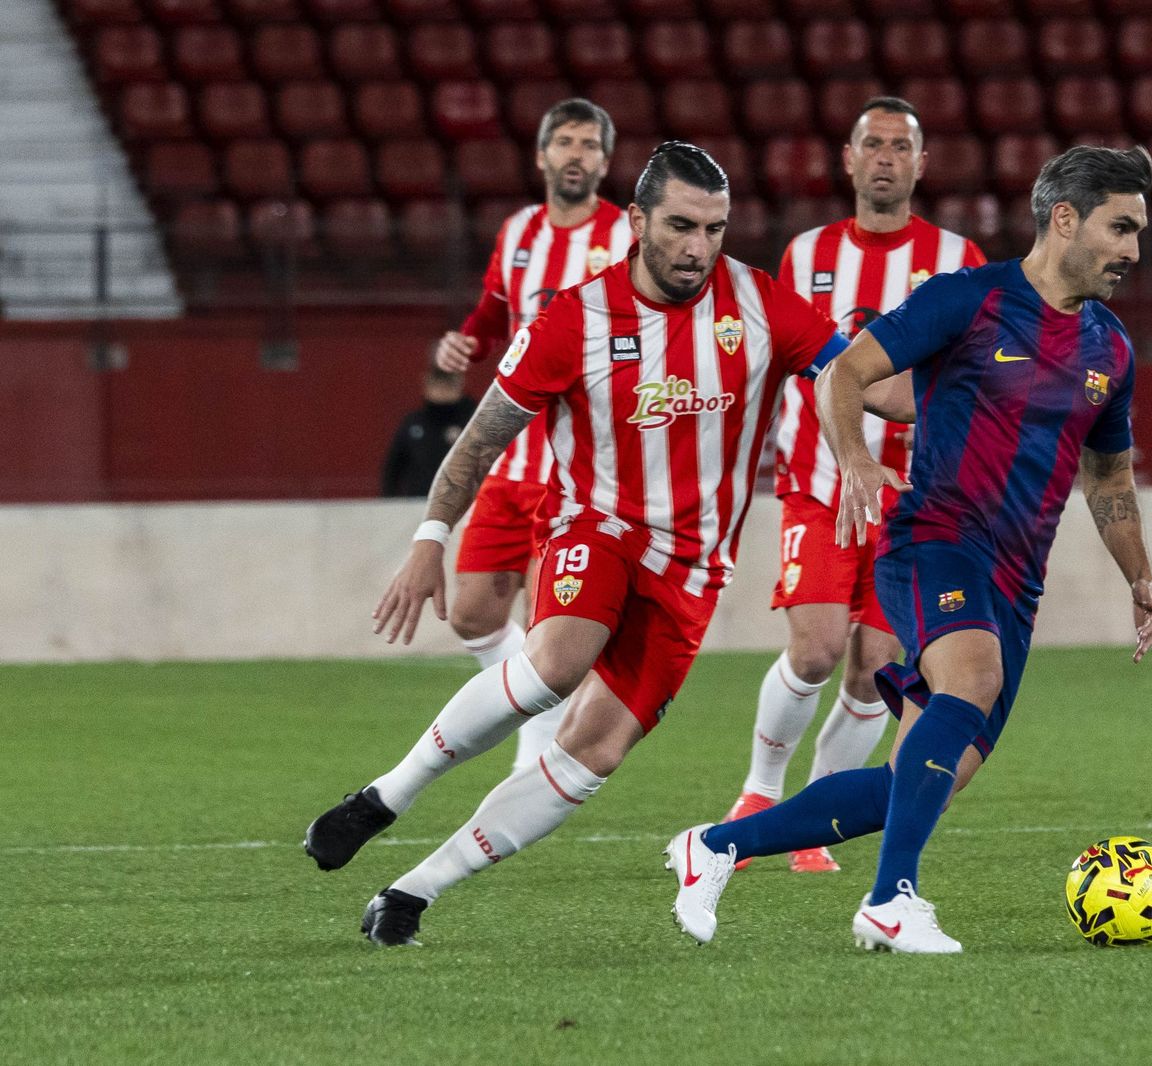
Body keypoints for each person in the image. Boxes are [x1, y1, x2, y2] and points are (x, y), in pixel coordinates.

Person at [303, 142, 910, 947]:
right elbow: (480, 440)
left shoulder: (760, 303)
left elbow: (870, 382)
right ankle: (390, 794)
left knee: (594, 752)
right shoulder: (575, 318)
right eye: (681, 226)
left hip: (693, 572)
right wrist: (429, 539)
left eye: (715, 229)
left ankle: (414, 891)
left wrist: (983, 386)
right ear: (636, 221)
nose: (698, 248)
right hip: (599, 528)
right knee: (555, 664)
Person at [666, 144, 1152, 954]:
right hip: (935, 538)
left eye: (1138, 231)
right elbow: (845, 373)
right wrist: (856, 461)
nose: (1133, 250)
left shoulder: (1110, 349)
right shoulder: (968, 298)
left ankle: (715, 846)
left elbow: (1108, 477)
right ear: (1065, 219)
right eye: (1121, 228)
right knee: (972, 679)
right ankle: (890, 900)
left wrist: (1139, 576)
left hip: (1016, 584)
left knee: (921, 780)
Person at [722, 97, 988, 875]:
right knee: (815, 649)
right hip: (817, 481)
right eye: (872, 144)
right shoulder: (805, 255)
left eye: (900, 146)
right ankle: (758, 792)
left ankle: (814, 813)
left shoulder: (957, 257)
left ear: (920, 164)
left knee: (877, 667)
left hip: (913, 499)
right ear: (848, 159)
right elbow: (778, 362)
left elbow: (972, 373)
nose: (885, 158)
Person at [430, 98, 633, 772]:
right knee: (471, 615)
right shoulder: (519, 232)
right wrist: (466, 341)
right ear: (542, 154)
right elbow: (494, 314)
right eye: (565, 141)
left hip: (578, 473)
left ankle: (540, 742)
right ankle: (541, 721)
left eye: (589, 144)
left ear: (605, 161)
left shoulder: (625, 237)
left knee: (556, 629)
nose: (577, 154)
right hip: (511, 461)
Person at [380, 366, 476, 498]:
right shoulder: (413, 423)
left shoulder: (472, 421)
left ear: (459, 384)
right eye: (437, 383)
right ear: (427, 384)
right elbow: (393, 468)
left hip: (461, 500)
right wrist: (389, 502)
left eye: (448, 384)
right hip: (418, 500)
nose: (442, 390)